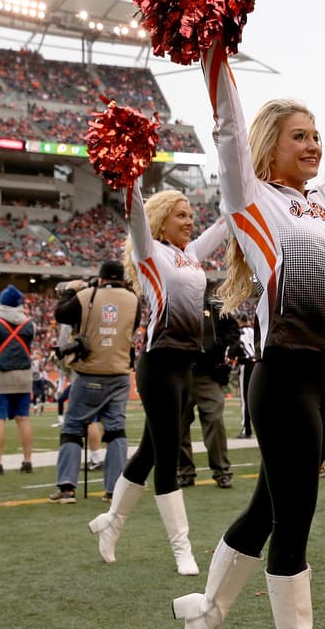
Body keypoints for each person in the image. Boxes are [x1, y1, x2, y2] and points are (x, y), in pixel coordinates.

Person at [171, 44, 325, 629]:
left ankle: (204, 617)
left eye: (317, 135)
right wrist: (213, 49)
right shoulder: (251, 198)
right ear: (271, 148)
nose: (315, 145)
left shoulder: (319, 203)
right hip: (284, 378)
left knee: (266, 508)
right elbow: (229, 126)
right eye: (301, 136)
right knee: (295, 517)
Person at [88, 186, 223, 569]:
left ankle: (112, 523)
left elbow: (226, 220)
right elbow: (134, 212)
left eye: (190, 215)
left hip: (185, 366)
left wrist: (255, 181)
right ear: (162, 221)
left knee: (149, 450)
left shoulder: (191, 254)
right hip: (158, 365)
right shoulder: (150, 253)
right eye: (181, 215)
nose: (189, 220)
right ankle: (183, 549)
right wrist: (131, 173)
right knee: (167, 456)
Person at [49, 260, 140, 506]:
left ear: (100, 278)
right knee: (116, 430)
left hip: (90, 372)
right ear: (121, 278)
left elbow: (61, 314)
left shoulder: (87, 295)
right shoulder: (134, 300)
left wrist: (71, 289)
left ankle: (67, 488)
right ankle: (114, 490)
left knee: (72, 428)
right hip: (120, 373)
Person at [177, 282, 239, 489]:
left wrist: (219, 345)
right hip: (181, 372)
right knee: (179, 425)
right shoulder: (174, 306)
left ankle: (222, 470)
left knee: (214, 421)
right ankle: (185, 472)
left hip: (207, 373)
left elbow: (233, 330)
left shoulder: (214, 307)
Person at [0, 285, 35, 475]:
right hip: (24, 375)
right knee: (23, 419)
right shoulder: (30, 324)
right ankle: (27, 461)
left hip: (1, 374)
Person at [236, 315, 257, 438]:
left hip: (246, 364)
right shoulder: (254, 331)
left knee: (245, 399)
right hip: (257, 364)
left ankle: (246, 429)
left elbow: (236, 347)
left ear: (240, 321)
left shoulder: (240, 332)